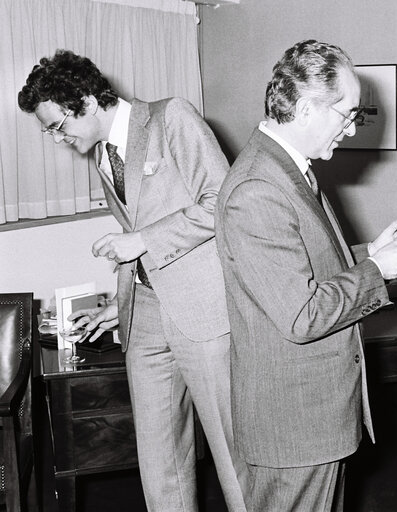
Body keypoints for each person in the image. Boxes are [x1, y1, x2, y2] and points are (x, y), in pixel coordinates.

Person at [18, 50, 248, 512]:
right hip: (145, 315)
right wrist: (117, 305)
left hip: (203, 312)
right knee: (160, 461)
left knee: (232, 453)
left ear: (84, 99)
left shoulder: (171, 117)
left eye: (57, 125)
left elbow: (223, 200)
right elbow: (143, 227)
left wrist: (140, 240)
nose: (56, 138)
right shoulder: (105, 154)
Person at [215, 39, 397, 511]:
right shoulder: (257, 188)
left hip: (311, 418)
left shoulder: (286, 170)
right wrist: (378, 270)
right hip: (293, 426)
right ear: (309, 107)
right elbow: (302, 314)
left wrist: (372, 250)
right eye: (347, 114)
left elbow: (303, 263)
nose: (351, 129)